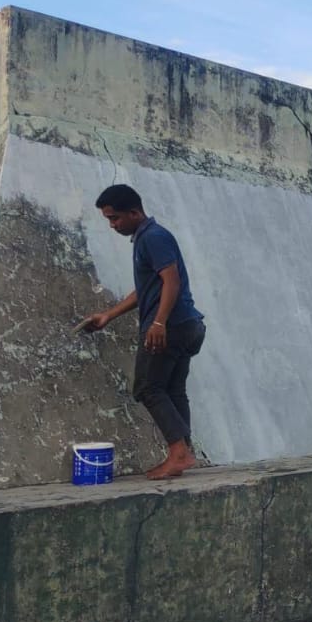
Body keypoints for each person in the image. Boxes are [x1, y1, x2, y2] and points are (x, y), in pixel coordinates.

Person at [81, 185, 206, 480]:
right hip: (188, 325)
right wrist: (108, 316)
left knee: (148, 387)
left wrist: (159, 323)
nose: (112, 225)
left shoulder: (153, 237)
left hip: (172, 325)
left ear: (134, 212)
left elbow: (171, 281)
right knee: (173, 389)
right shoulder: (148, 238)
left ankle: (178, 454)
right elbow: (147, 290)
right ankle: (183, 452)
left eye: (115, 219)